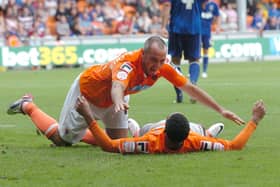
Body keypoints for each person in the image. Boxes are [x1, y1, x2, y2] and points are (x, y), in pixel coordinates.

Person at [7, 36, 244, 147]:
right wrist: (118, 101)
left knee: (119, 145)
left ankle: (122, 127)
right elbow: (118, 86)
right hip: (87, 95)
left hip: (115, 102)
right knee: (63, 140)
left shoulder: (163, 67)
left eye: (161, 60)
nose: (157, 66)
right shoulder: (128, 64)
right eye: (153, 60)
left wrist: (221, 109)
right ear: (143, 55)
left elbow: (190, 88)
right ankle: (28, 105)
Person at [75, 96, 266, 154]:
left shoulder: (150, 142)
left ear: (166, 127)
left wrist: (89, 116)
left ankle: (133, 131)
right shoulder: (193, 141)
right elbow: (236, 146)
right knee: (202, 133)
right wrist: (254, 120)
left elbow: (108, 145)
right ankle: (209, 133)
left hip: (150, 129)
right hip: (196, 132)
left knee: (139, 133)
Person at [160, 0, 206, 103]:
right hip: (194, 26)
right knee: (194, 59)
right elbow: (203, 5)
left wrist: (163, 26)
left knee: (176, 61)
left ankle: (179, 92)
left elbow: (167, 5)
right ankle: (193, 85)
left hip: (177, 27)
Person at [201, 0, 220, 78]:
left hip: (207, 32)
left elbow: (217, 16)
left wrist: (217, 27)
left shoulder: (213, 5)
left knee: (206, 50)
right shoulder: (198, 3)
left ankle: (204, 71)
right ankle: (191, 71)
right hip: (196, 30)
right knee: (194, 51)